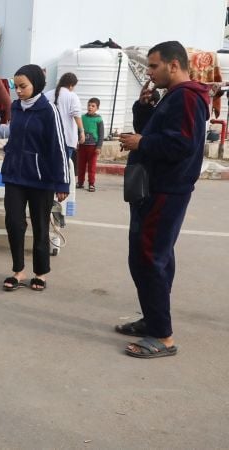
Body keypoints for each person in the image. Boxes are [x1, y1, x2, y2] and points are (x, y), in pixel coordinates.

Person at [117, 41, 209, 359]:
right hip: (154, 189)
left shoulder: (187, 97)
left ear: (174, 65)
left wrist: (141, 142)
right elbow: (158, 133)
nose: (149, 72)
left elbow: (182, 145)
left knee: (149, 258)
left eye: (154, 66)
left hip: (166, 191)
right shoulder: (172, 96)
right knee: (151, 257)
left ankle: (162, 336)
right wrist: (144, 109)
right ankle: (153, 319)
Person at [0, 64, 69, 292]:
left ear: (36, 84)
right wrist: (9, 150)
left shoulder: (49, 110)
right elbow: (16, 137)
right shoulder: (16, 107)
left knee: (40, 226)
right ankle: (18, 271)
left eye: (23, 86)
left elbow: (59, 147)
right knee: (14, 223)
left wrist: (62, 182)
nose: (18, 91)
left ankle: (40, 273)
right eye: (16, 86)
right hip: (14, 176)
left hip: (41, 179)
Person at [46, 72, 85, 164]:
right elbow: (76, 115)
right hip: (67, 139)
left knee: (48, 166)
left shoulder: (47, 94)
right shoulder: (72, 96)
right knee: (63, 166)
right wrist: (82, 131)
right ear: (71, 85)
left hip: (48, 138)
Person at [76, 97, 104, 191]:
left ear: (97, 108)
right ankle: (80, 182)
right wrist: (77, 142)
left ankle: (91, 183)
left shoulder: (99, 119)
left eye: (93, 106)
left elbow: (101, 134)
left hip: (93, 147)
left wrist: (99, 147)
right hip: (82, 146)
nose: (90, 107)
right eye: (89, 105)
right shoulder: (82, 118)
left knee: (92, 166)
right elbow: (78, 130)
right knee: (81, 165)